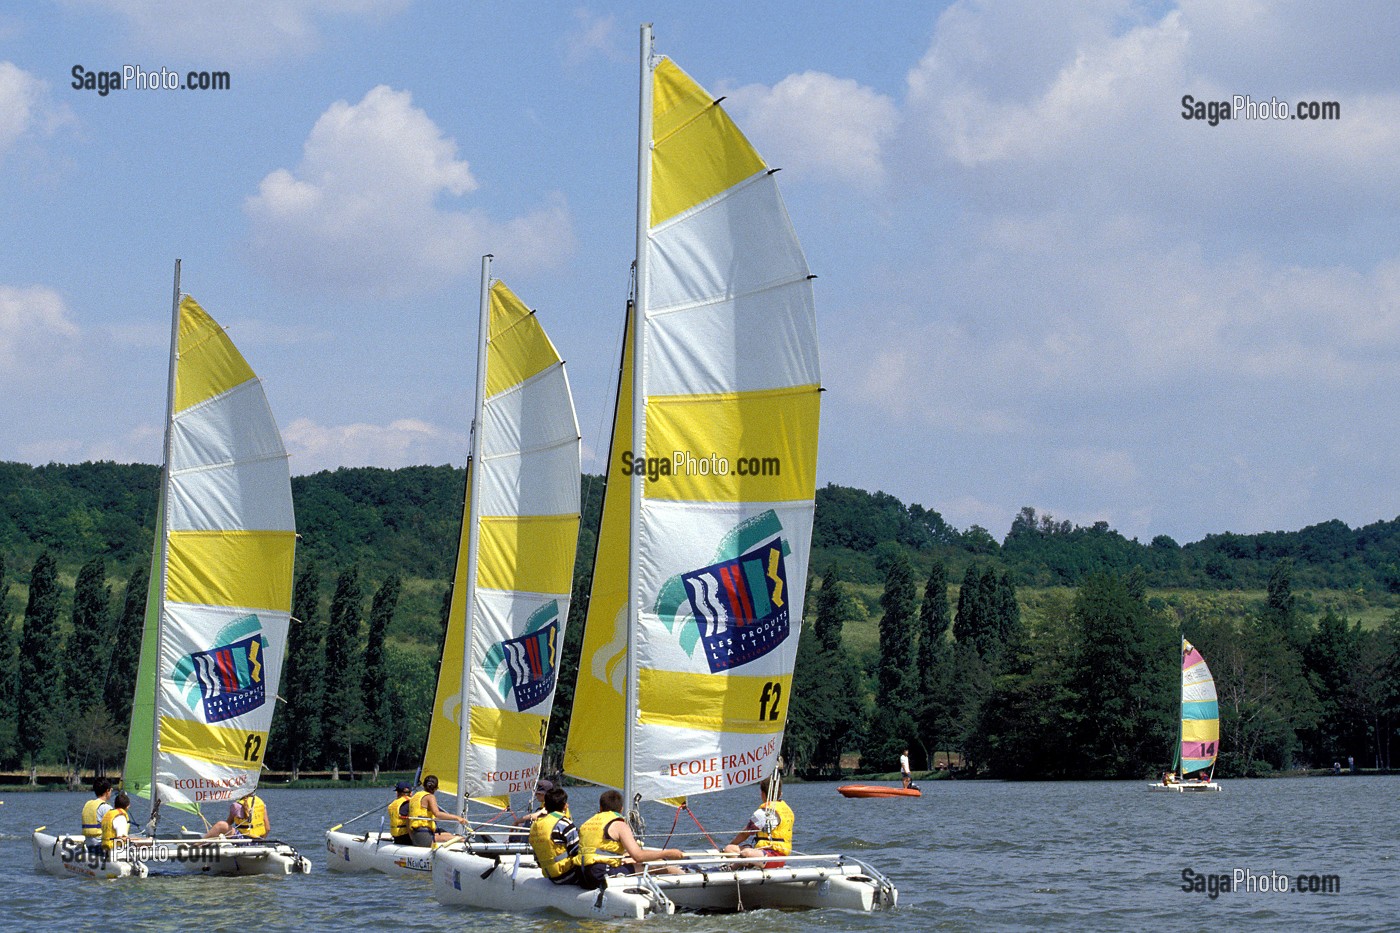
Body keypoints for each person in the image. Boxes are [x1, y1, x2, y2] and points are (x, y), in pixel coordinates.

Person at [578, 790, 684, 889]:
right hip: (601, 874)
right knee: (659, 864)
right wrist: (668, 853)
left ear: (600, 808)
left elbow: (603, 851)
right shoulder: (619, 824)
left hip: (583, 873)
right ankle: (687, 880)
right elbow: (638, 856)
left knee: (631, 858)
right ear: (621, 809)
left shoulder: (586, 823)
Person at [724, 778, 794, 869]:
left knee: (746, 853)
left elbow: (744, 834)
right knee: (729, 849)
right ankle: (745, 864)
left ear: (763, 794)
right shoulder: (787, 809)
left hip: (774, 857)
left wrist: (732, 843)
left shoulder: (764, 813)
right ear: (780, 793)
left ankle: (733, 867)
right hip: (764, 853)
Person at [529, 785, 582, 885]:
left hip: (550, 875)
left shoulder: (535, 826)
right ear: (564, 806)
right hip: (568, 874)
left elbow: (537, 857)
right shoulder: (564, 823)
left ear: (545, 805)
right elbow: (577, 851)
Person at [408, 775, 467, 846]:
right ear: (436, 788)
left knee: (449, 835)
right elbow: (437, 814)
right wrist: (457, 818)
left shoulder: (415, 796)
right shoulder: (430, 797)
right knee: (460, 839)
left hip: (416, 834)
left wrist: (412, 837)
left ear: (423, 785)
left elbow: (408, 820)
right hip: (423, 835)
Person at [203, 791, 269, 839]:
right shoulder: (261, 803)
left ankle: (197, 845)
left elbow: (228, 823)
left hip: (243, 840)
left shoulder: (237, 805)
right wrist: (261, 841)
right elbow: (268, 829)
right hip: (259, 841)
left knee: (220, 825)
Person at [82, 777, 114, 850]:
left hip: (88, 844)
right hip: (99, 846)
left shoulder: (88, 804)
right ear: (107, 791)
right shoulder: (106, 808)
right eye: (111, 790)